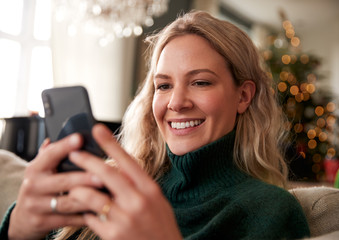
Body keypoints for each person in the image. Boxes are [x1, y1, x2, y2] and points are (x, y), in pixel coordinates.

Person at [0, 10, 310, 240]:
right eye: (163, 86)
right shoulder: (113, 183)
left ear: (243, 96)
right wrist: (17, 229)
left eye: (200, 82)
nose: (176, 102)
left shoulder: (270, 212)